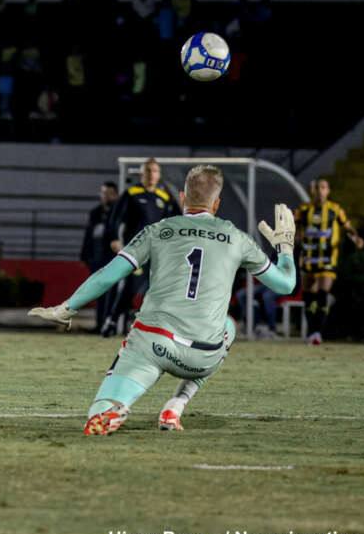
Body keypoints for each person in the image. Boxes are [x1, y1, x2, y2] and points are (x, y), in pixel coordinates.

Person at [30, 165, 297, 435]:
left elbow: (107, 276)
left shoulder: (158, 230)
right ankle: (177, 404)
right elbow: (286, 285)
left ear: (182, 198)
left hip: (153, 343)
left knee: (100, 411)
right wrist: (285, 249)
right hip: (202, 355)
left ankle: (110, 409)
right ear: (216, 204)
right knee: (228, 325)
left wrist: (66, 308)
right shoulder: (239, 239)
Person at [100, 158, 181, 337]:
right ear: (142, 174)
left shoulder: (164, 198)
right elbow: (114, 218)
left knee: (158, 290)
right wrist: (114, 238)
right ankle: (111, 320)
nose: (151, 175)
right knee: (129, 288)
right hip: (136, 251)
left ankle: (147, 327)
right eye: (148, 171)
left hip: (158, 253)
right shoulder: (131, 194)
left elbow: (176, 222)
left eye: (154, 171)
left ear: (158, 175)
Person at [294, 177, 364, 345]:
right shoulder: (303, 210)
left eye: (323, 187)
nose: (320, 190)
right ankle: (312, 333)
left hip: (327, 258)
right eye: (317, 187)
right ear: (312, 191)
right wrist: (295, 236)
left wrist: (356, 237)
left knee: (322, 294)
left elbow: (347, 226)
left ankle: (317, 333)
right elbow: (294, 228)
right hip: (309, 258)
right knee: (309, 298)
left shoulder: (335, 209)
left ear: (328, 191)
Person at [79, 181, 119, 331]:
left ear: (115, 195)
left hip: (112, 259)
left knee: (112, 293)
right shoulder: (95, 212)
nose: (105, 196)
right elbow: (88, 235)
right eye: (103, 193)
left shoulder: (119, 212)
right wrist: (84, 254)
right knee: (98, 293)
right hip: (96, 258)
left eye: (109, 193)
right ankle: (99, 324)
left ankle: (110, 324)